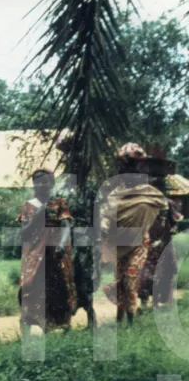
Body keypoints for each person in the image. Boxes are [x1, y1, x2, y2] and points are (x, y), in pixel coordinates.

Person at [100, 143, 167, 326]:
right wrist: (104, 228)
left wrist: (161, 228)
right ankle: (120, 318)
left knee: (130, 280)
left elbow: (163, 211)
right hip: (119, 245)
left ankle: (130, 322)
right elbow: (106, 216)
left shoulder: (151, 193)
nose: (131, 169)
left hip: (139, 245)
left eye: (135, 165)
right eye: (128, 165)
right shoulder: (115, 194)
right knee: (120, 283)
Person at [17, 168, 77, 336]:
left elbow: (66, 226)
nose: (41, 185)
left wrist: (62, 244)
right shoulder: (27, 207)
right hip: (35, 252)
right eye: (38, 182)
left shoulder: (59, 203)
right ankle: (28, 322)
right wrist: (38, 216)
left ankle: (58, 323)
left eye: (45, 181)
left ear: (52, 184)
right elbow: (23, 233)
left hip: (55, 251)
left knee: (57, 286)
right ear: (33, 184)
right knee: (30, 285)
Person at [54, 132, 100, 329]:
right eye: (68, 161)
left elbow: (96, 216)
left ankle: (90, 315)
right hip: (63, 236)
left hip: (83, 237)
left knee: (84, 275)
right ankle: (66, 320)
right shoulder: (58, 186)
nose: (71, 164)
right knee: (65, 276)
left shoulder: (90, 188)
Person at [139, 175, 183, 311]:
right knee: (147, 271)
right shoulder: (147, 203)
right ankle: (148, 301)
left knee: (157, 272)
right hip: (150, 241)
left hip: (160, 242)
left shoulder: (166, 203)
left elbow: (175, 222)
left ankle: (153, 301)